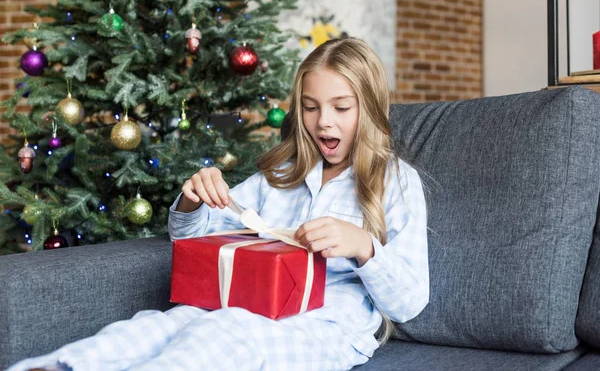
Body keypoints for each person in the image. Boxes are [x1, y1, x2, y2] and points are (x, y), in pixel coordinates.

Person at [10, 37, 429, 371]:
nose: (323, 122)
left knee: (225, 335)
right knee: (164, 325)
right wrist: (194, 201)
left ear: (370, 108)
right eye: (310, 107)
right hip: (242, 306)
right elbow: (192, 238)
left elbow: (409, 303)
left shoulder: (394, 181)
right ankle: (58, 366)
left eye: (341, 108)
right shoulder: (278, 177)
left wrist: (364, 247)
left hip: (324, 329)